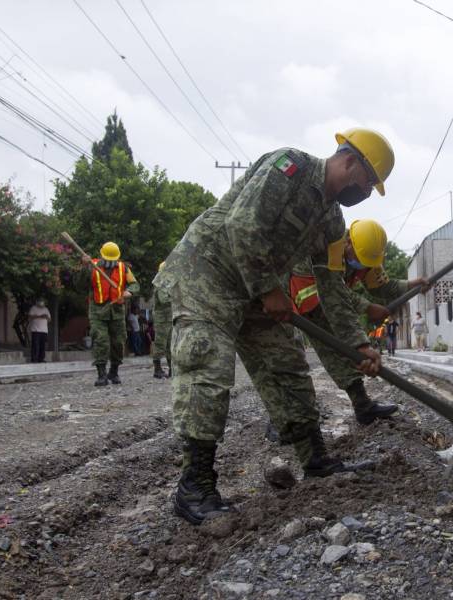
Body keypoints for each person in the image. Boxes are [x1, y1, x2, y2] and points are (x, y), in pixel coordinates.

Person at [153, 127, 395, 525]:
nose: (367, 191)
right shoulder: (291, 167)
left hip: (254, 289)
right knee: (207, 367)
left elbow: (332, 288)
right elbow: (242, 226)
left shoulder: (332, 221)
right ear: (350, 161)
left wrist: (359, 346)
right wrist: (269, 288)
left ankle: (315, 459)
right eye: (369, 181)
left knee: (287, 365)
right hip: (208, 272)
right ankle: (194, 487)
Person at [286, 220, 425, 426]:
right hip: (300, 300)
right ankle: (283, 419)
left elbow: (381, 285)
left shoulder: (366, 253)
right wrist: (368, 308)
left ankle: (362, 406)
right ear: (348, 242)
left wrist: (412, 285)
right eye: (359, 259)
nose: (363, 265)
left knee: (345, 351)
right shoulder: (322, 248)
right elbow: (331, 292)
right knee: (291, 359)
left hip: (329, 301)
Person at [81, 241, 139, 386]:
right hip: (98, 310)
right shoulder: (92, 266)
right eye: (107, 259)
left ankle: (114, 372)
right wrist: (84, 267)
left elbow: (135, 284)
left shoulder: (123, 268)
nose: (110, 262)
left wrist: (129, 291)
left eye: (112, 260)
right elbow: (80, 285)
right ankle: (101, 374)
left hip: (117, 310)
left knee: (118, 342)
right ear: (102, 256)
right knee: (100, 340)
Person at [151, 261, 173, 379]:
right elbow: (164, 300)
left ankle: (172, 369)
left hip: (170, 317)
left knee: (171, 345)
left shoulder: (168, 283)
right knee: (160, 344)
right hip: (162, 319)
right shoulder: (160, 283)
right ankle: (157, 369)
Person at [27, 298, 51, 363]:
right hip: (36, 330)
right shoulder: (33, 308)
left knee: (42, 346)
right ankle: (34, 359)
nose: (41, 302)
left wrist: (46, 317)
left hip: (44, 331)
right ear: (37, 302)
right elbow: (30, 317)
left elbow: (49, 320)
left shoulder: (46, 309)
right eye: (40, 301)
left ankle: (41, 359)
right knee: (35, 345)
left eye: (42, 301)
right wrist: (40, 316)